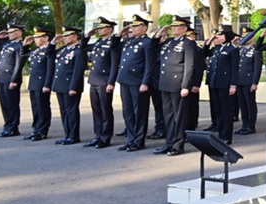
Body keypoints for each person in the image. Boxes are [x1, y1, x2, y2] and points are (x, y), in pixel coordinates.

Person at [151, 16, 195, 155]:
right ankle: (169, 143)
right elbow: (152, 47)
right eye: (172, 26)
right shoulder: (169, 42)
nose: (173, 28)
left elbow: (189, 66)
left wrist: (185, 85)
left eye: (176, 26)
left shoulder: (188, 43)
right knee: (168, 115)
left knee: (178, 116)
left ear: (184, 28)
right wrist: (159, 33)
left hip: (177, 84)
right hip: (165, 83)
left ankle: (178, 145)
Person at [116, 14, 155, 152]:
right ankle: (130, 139)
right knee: (128, 112)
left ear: (144, 28)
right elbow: (114, 47)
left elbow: (149, 65)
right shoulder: (129, 41)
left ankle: (138, 141)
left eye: (136, 26)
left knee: (139, 112)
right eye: (132, 26)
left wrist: (145, 82)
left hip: (138, 81)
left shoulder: (147, 42)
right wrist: (120, 34)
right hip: (125, 80)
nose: (132, 28)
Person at [80, 17, 121, 149]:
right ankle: (97, 135)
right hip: (94, 80)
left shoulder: (112, 43)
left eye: (102, 28)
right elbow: (83, 48)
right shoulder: (98, 42)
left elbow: (114, 64)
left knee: (105, 109)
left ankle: (105, 137)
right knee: (96, 109)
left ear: (109, 29)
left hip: (104, 80)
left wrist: (111, 82)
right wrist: (87, 36)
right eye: (98, 28)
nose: (99, 30)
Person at [51, 26, 87, 145]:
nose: (64, 38)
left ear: (75, 37)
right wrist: (53, 43)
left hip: (70, 86)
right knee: (64, 111)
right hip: (60, 85)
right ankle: (67, 134)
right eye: (64, 36)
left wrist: (73, 87)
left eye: (67, 36)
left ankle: (73, 136)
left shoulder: (79, 51)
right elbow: (49, 55)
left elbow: (78, 71)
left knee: (71, 111)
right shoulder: (63, 50)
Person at [203, 25, 238, 144]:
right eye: (218, 35)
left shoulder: (232, 49)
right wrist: (209, 41)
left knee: (226, 110)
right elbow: (204, 53)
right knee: (218, 109)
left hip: (225, 84)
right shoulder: (217, 48)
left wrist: (233, 85)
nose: (219, 37)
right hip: (215, 82)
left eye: (222, 35)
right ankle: (220, 132)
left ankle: (226, 135)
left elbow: (234, 69)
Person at [0, 24, 26, 137]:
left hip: (10, 78)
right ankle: (7, 126)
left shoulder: (20, 46)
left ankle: (13, 128)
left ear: (19, 33)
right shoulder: (8, 44)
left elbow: (18, 65)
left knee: (12, 105)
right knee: (5, 105)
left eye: (12, 32)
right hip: (2, 78)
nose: (9, 34)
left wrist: (14, 80)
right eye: (9, 32)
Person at [23, 27, 55, 141]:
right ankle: (36, 129)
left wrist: (47, 84)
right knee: (35, 107)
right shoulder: (36, 50)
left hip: (42, 83)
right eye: (35, 38)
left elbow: (50, 69)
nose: (35, 40)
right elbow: (23, 54)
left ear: (46, 38)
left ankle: (42, 130)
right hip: (34, 82)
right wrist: (25, 45)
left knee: (42, 107)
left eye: (38, 37)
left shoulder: (49, 50)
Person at [234, 26, 263, 135]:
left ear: (252, 37)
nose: (244, 38)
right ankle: (244, 125)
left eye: (247, 36)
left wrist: (255, 82)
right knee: (242, 105)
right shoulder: (241, 50)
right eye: (243, 36)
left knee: (250, 104)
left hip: (249, 81)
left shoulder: (255, 50)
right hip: (240, 81)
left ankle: (251, 126)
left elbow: (257, 68)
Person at [184, 28, 204, 131]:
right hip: (183, 82)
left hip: (193, 82)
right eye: (188, 36)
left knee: (192, 105)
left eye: (192, 36)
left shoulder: (198, 50)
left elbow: (199, 68)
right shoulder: (183, 48)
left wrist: (196, 84)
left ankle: (192, 125)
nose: (190, 38)